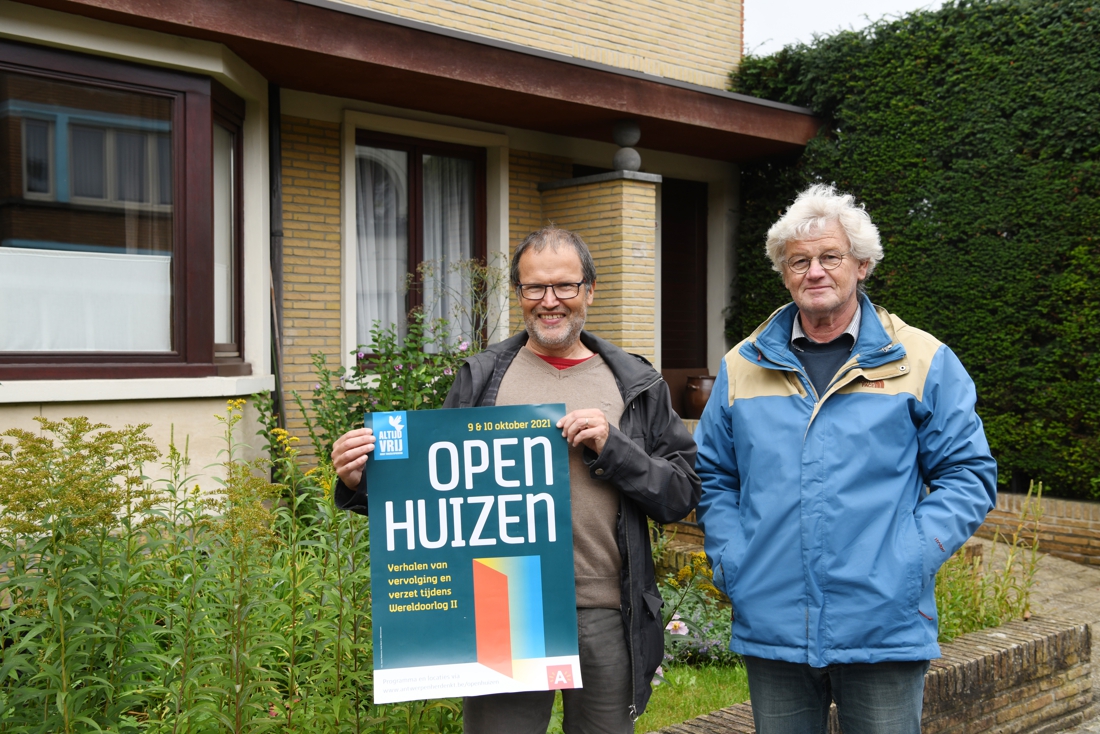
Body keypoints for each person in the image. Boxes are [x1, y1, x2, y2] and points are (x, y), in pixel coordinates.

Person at [331, 226, 700, 732]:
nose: (550, 301)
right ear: (519, 295)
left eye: (565, 286)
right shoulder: (483, 378)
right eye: (534, 287)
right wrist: (360, 480)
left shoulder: (634, 381)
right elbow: (437, 488)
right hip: (503, 607)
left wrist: (615, 448)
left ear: (589, 291)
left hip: (605, 612)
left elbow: (681, 493)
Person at [694, 184, 997, 734]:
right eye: (799, 261)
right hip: (774, 620)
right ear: (784, 274)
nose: (815, 272)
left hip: (883, 620)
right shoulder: (741, 366)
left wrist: (909, 558)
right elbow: (715, 476)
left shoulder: (921, 359)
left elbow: (967, 475)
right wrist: (734, 562)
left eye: (830, 257)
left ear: (861, 265)